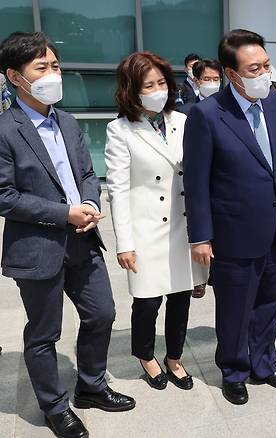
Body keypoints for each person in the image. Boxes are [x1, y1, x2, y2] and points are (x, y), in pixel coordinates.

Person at [0, 31, 135, 438]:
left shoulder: (69, 122)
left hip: (83, 238)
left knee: (103, 314)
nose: (52, 74)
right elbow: (4, 196)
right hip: (38, 246)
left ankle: (91, 387)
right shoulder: (5, 129)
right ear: (15, 76)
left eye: (55, 66)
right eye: (41, 67)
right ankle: (55, 406)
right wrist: (64, 214)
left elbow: (88, 174)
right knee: (44, 333)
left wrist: (90, 205)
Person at [183, 29, 276, 406]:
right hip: (233, 232)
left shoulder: (275, 103)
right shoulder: (206, 115)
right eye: (255, 67)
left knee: (269, 303)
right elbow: (197, 182)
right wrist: (200, 236)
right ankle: (234, 370)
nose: (265, 72)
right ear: (232, 74)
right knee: (235, 309)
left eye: (266, 64)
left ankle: (264, 364)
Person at [104, 51, 209, 392]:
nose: (157, 89)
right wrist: (125, 244)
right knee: (147, 302)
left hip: (184, 227)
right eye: (148, 85)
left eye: (161, 82)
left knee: (181, 298)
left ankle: (174, 357)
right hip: (146, 230)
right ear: (131, 91)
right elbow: (117, 189)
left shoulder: (184, 119)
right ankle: (145, 355)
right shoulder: (120, 130)